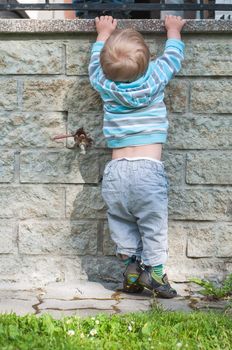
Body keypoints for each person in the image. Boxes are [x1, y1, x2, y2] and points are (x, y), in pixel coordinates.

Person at [88, 15, 186, 298]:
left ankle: (131, 271)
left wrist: (103, 33)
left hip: (115, 170)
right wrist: (173, 29)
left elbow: (94, 64)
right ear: (146, 63)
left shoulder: (105, 84)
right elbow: (173, 57)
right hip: (147, 170)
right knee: (153, 224)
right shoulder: (155, 77)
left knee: (121, 221)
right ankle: (154, 274)